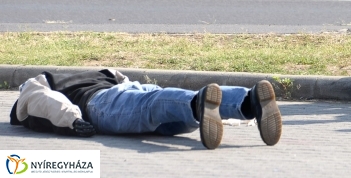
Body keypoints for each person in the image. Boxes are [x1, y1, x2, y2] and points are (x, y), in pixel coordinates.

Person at [10, 69, 283, 149]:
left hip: (100, 103)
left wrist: (72, 121)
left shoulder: (36, 83)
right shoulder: (101, 71)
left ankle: (198, 104)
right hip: (132, 87)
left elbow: (40, 102)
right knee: (172, 111)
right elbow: (125, 81)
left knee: (153, 106)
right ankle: (247, 102)